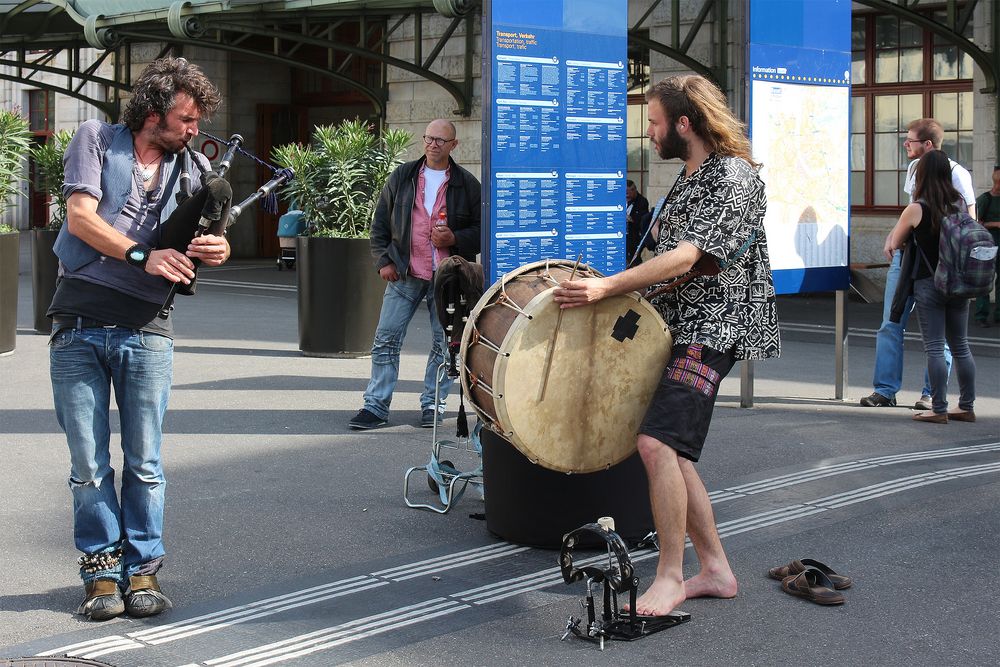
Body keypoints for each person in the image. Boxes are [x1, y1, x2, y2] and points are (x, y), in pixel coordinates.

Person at [554, 74, 779, 617]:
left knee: (655, 445)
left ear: (684, 123)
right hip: (676, 327)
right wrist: (602, 290)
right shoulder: (687, 178)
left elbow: (685, 258)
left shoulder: (733, 176)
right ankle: (717, 570)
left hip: (714, 327)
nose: (648, 132)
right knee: (671, 450)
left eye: (654, 121)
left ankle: (671, 577)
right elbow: (652, 259)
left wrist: (607, 288)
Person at [48, 57, 225, 621]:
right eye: (186, 118)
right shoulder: (96, 138)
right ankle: (100, 572)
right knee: (89, 463)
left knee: (145, 462)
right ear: (154, 112)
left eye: (197, 121)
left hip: (148, 331)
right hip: (78, 323)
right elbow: (80, 216)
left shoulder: (194, 169)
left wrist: (214, 249)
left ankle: (143, 571)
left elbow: (200, 244)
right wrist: (143, 255)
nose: (194, 129)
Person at [348, 119, 482, 430]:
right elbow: (380, 222)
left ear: (454, 145)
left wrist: (455, 239)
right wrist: (383, 260)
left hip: (448, 278)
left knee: (443, 344)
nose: (433, 144)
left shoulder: (467, 184)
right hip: (405, 272)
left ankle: (432, 406)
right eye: (429, 138)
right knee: (385, 339)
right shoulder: (403, 176)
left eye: (441, 140)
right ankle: (376, 407)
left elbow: (482, 229)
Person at [860, 118, 971, 410]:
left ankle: (931, 393)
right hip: (907, 255)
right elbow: (911, 211)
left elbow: (968, 221)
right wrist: (894, 237)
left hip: (939, 261)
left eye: (910, 140)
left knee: (939, 334)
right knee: (890, 322)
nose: (905, 144)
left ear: (928, 144)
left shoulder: (957, 174)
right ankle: (885, 390)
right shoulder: (913, 168)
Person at [884, 150, 977, 423]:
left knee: (935, 347)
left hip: (929, 283)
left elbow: (894, 243)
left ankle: (938, 408)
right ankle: (966, 406)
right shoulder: (959, 203)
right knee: (961, 346)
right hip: (959, 283)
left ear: (921, 174)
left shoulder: (917, 208)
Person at [973, 165, 1000, 327]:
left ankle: (998, 314)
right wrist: (995, 224)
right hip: (987, 245)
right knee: (984, 280)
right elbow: (975, 223)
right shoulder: (985, 200)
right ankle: (981, 315)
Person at [625, 179, 650, 263]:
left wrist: (630, 218)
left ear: (634, 190)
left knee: (634, 259)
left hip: (635, 236)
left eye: (628, 193)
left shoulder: (642, 202)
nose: (627, 196)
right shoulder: (622, 200)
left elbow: (643, 220)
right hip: (624, 235)